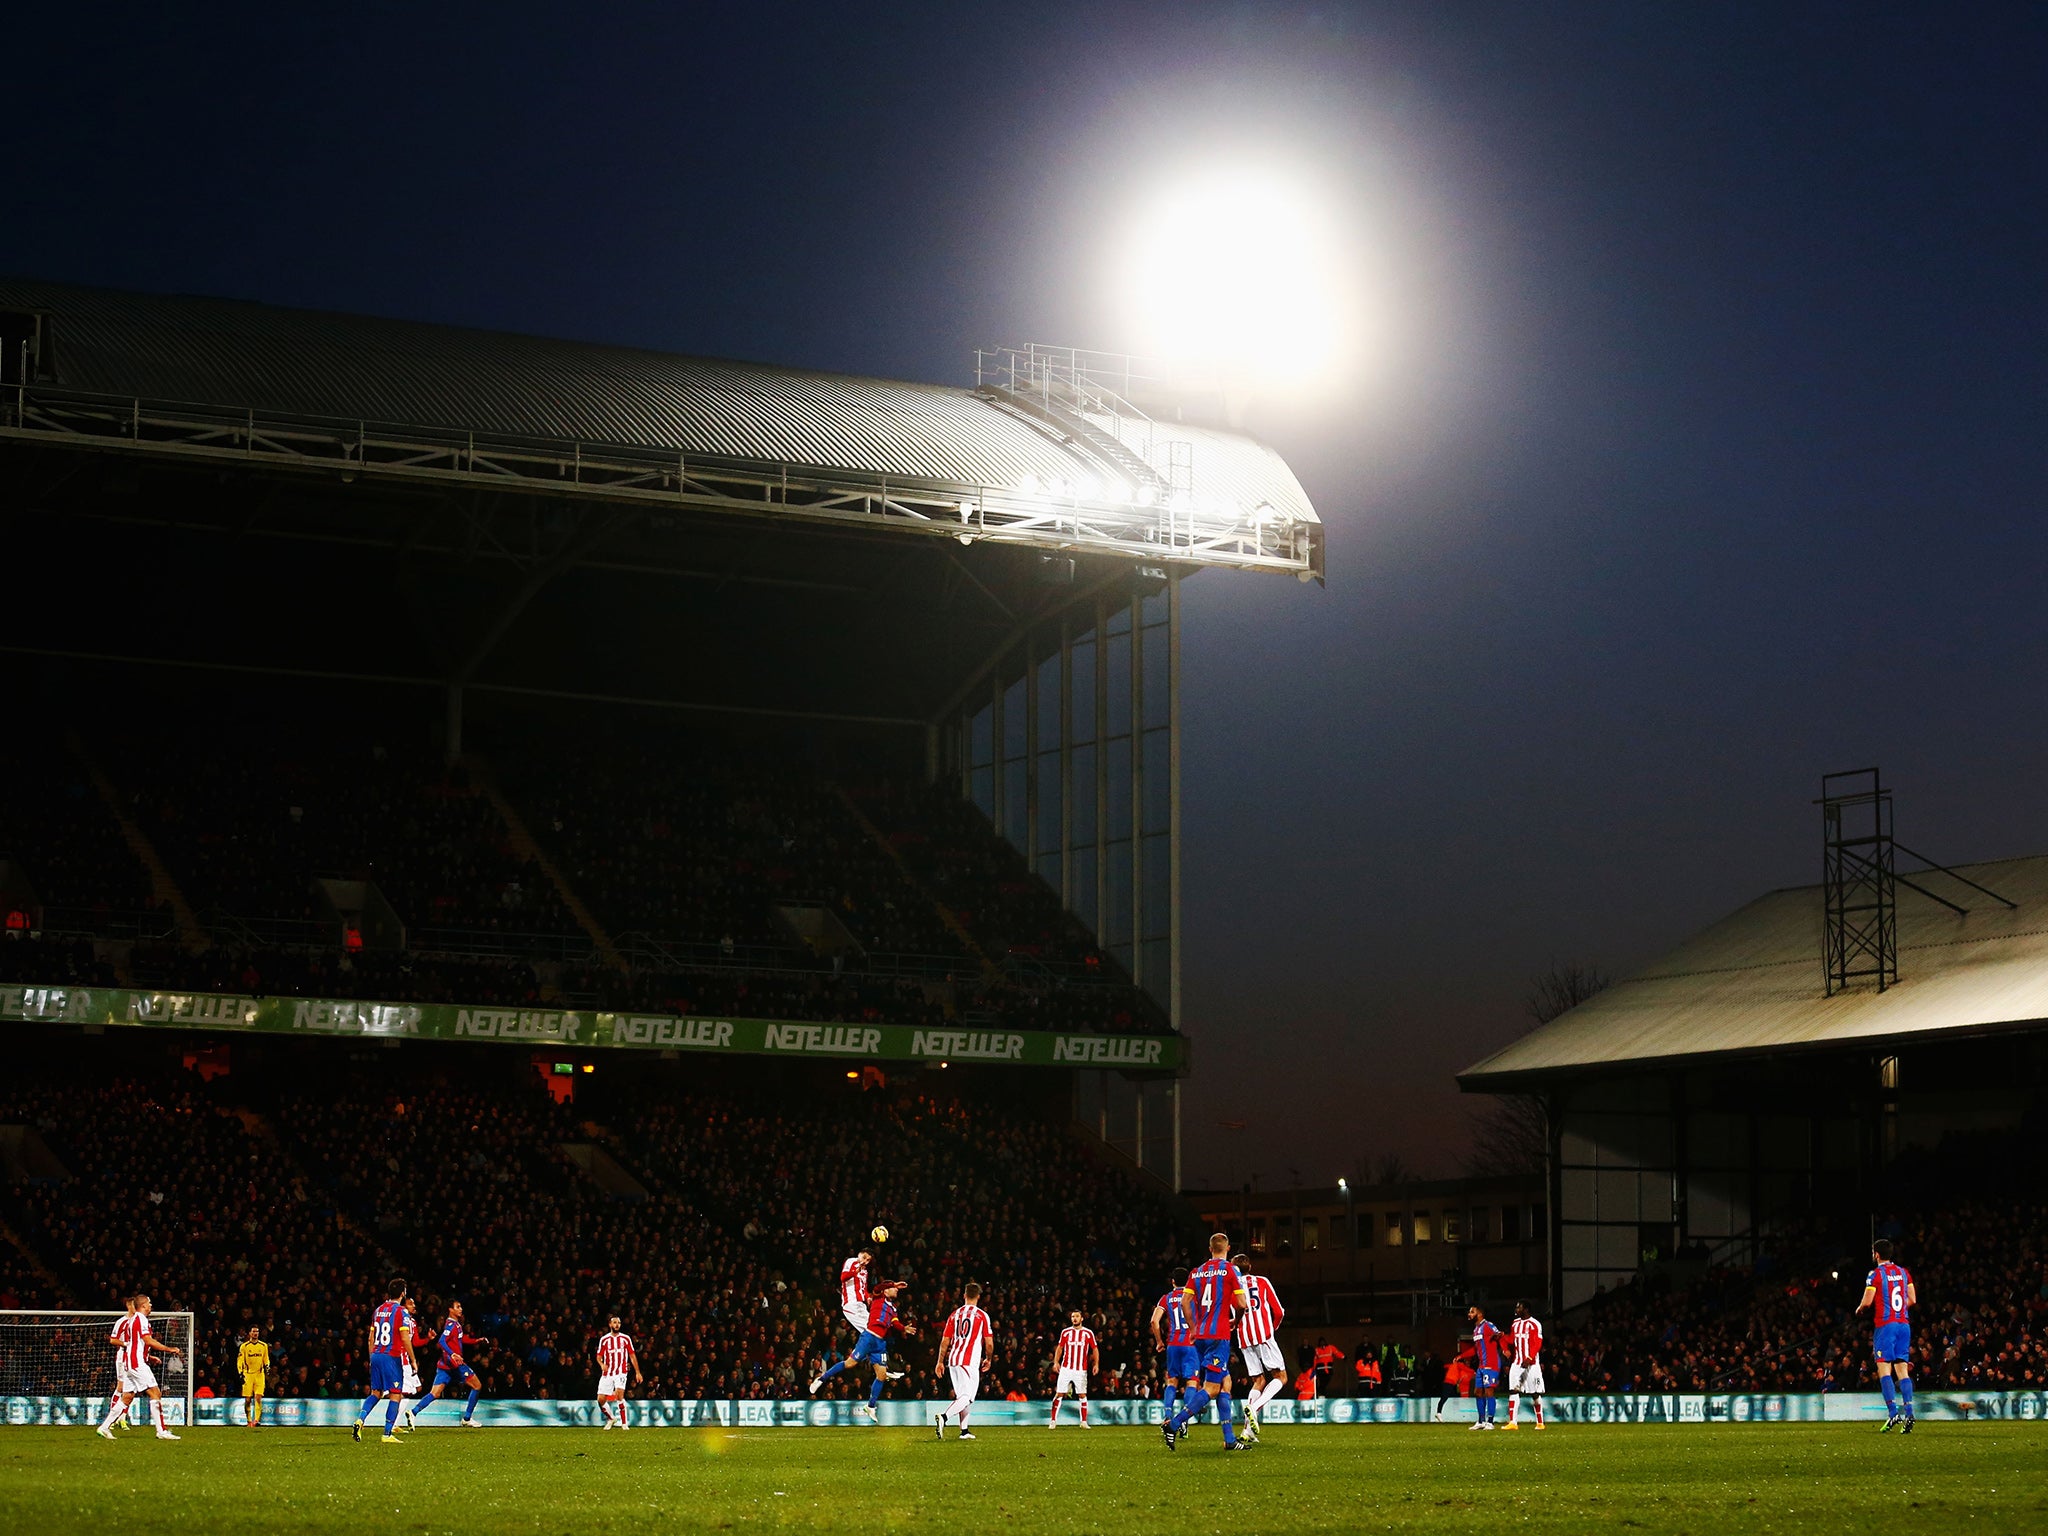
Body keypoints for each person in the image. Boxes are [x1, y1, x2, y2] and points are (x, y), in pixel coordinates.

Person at [1161, 1233, 1248, 1452]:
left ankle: (1229, 1439)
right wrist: (1236, 1321)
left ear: (1210, 1249)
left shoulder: (1196, 1272)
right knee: (1211, 1388)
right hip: (1218, 1335)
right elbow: (1242, 1304)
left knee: (1225, 1383)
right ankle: (1173, 1424)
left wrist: (1192, 1328)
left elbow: (1185, 1301)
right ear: (1227, 1248)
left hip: (1200, 1335)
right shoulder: (1229, 1269)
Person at [811, 1280, 915, 1421]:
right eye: (893, 1289)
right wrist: (894, 1284)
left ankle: (870, 1407)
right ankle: (821, 1379)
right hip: (869, 1337)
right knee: (849, 1364)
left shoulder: (893, 1309)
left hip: (879, 1343)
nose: (896, 1290)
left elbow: (895, 1322)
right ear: (886, 1290)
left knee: (881, 1376)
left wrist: (904, 1328)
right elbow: (878, 1287)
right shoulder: (878, 1298)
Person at [96, 1294, 184, 1441]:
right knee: (155, 1393)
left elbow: (134, 1345)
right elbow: (147, 1340)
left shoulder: (133, 1320)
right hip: (136, 1364)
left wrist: (149, 1357)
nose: (151, 1306)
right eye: (149, 1303)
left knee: (127, 1397)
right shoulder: (140, 1319)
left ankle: (104, 1427)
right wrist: (169, 1349)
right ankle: (161, 1431)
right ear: (143, 1305)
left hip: (130, 1362)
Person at [1855, 1238, 1917, 1433]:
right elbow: (1912, 1300)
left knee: (1884, 1370)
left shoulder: (1875, 1275)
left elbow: (1867, 1302)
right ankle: (1909, 1413)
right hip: (1903, 1325)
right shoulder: (1903, 1272)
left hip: (1885, 1326)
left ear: (1877, 1254)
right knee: (1902, 1370)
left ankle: (1893, 1413)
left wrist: (1859, 1310)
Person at [1230, 1252, 1288, 1441]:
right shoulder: (1262, 1282)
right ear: (1250, 1268)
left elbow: (1232, 1314)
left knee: (1258, 1381)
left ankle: (1247, 1431)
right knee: (1281, 1377)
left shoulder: (1232, 1287)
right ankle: (1254, 1409)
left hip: (1244, 1338)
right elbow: (1279, 1311)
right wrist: (1271, 1329)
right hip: (1263, 1336)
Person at [353, 1278, 414, 1444]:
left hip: (376, 1355)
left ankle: (360, 1420)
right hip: (391, 1356)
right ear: (403, 1293)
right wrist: (413, 1360)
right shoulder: (401, 1311)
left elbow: (370, 1339)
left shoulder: (378, 1310)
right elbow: (404, 1338)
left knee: (376, 1393)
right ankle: (387, 1434)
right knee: (395, 1395)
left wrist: (372, 1358)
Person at [932, 1281, 992, 1441]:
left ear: (964, 1295)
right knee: (968, 1396)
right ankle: (943, 1417)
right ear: (979, 1297)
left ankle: (964, 1431)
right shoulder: (982, 1316)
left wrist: (939, 1362)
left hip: (953, 1360)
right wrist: (988, 1359)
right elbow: (989, 1342)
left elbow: (945, 1340)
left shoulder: (954, 1314)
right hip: (969, 1360)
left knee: (962, 1397)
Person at [411, 1300, 485, 1427]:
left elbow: (461, 1339)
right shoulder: (451, 1325)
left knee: (434, 1393)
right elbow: (442, 1341)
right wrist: (453, 1354)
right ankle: (467, 1418)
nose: (461, 1309)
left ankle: (413, 1412)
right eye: (458, 1307)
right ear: (451, 1310)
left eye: (461, 1306)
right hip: (455, 1364)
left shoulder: (456, 1325)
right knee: (477, 1386)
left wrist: (476, 1340)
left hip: (444, 1366)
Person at [1149, 1267, 1197, 1430]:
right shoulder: (1193, 1297)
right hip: (1191, 1344)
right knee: (1191, 1382)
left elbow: (1154, 1322)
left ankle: (1168, 1416)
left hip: (1173, 1344)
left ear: (1173, 1282)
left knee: (1172, 1381)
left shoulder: (1166, 1298)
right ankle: (1184, 1421)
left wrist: (1159, 1342)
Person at [1049, 1309, 1099, 1428]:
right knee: (1059, 1393)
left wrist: (1096, 1364)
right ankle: (1053, 1420)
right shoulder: (1065, 1332)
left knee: (1082, 1395)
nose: (1074, 1318)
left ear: (1082, 1318)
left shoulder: (1088, 1333)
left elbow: (1095, 1349)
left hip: (1081, 1370)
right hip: (1066, 1368)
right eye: (1072, 1316)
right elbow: (1060, 1348)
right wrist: (1056, 1362)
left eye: (1077, 1316)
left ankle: (1083, 1421)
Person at [596, 1315, 642, 1430]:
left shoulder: (625, 1339)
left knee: (619, 1394)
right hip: (607, 1373)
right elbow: (598, 1356)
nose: (617, 1325)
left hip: (621, 1372)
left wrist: (637, 1372)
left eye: (619, 1323)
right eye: (615, 1322)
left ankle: (624, 1423)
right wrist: (602, 1364)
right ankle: (611, 1418)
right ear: (610, 1325)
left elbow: (632, 1355)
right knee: (600, 1399)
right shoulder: (604, 1339)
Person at [1505, 1301, 1546, 1429]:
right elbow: (1512, 1339)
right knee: (1513, 1390)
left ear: (1526, 1309)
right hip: (1517, 1362)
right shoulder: (1515, 1323)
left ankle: (1540, 1422)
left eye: (1519, 1307)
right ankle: (1513, 1422)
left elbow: (1537, 1343)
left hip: (1531, 1364)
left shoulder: (1535, 1324)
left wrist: (1529, 1357)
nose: (1516, 1309)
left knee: (1534, 1393)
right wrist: (1502, 1337)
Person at [1467, 1305, 1504, 1430]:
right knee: (1477, 1392)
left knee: (1489, 1392)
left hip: (1491, 1364)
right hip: (1481, 1365)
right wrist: (1461, 1356)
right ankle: (1481, 1421)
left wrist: (1498, 1336)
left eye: (1472, 1312)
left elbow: (1498, 1334)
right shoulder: (1476, 1330)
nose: (1469, 1314)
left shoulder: (1487, 1325)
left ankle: (1490, 1422)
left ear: (1480, 1314)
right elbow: (1475, 1349)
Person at [236, 1326, 271, 1429]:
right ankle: (249, 1421)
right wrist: (240, 1372)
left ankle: (256, 1420)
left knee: (258, 1398)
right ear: (250, 1333)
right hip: (248, 1375)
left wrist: (267, 1366)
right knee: (247, 1400)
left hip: (259, 1375)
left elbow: (266, 1359)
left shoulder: (263, 1346)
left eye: (257, 1331)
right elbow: (240, 1360)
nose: (255, 1333)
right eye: (253, 1331)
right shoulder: (244, 1346)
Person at [839, 1248, 874, 1337]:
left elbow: (864, 1288)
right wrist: (854, 1272)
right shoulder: (851, 1261)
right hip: (851, 1303)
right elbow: (843, 1278)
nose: (865, 1261)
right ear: (859, 1254)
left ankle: (859, 1351)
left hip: (861, 1305)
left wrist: (868, 1297)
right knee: (870, 1330)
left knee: (873, 1328)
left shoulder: (865, 1271)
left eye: (868, 1260)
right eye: (864, 1257)